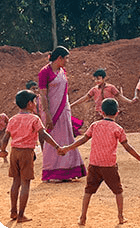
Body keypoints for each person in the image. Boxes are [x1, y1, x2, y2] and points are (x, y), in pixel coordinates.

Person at [58, 98, 140, 225]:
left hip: (94, 164)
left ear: (101, 112)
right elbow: (127, 147)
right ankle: (120, 217)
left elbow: (83, 140)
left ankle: (82, 217)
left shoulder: (95, 126)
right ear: (117, 113)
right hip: (109, 166)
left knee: (88, 191)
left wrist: (67, 148)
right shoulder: (118, 129)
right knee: (118, 192)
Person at [0, 90, 62, 223]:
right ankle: (21, 215)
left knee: (15, 182)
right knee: (25, 183)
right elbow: (43, 135)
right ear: (29, 103)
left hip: (14, 152)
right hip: (26, 153)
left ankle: (13, 212)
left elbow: (5, 138)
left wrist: (3, 150)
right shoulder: (34, 119)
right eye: (34, 101)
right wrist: (57, 146)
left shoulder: (13, 119)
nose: (35, 104)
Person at [38, 46, 86, 182]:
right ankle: (52, 173)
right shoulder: (44, 72)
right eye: (66, 58)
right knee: (52, 139)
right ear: (59, 58)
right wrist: (47, 114)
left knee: (67, 137)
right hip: (52, 111)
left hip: (64, 110)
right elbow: (43, 94)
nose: (67, 61)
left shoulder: (62, 71)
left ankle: (68, 171)